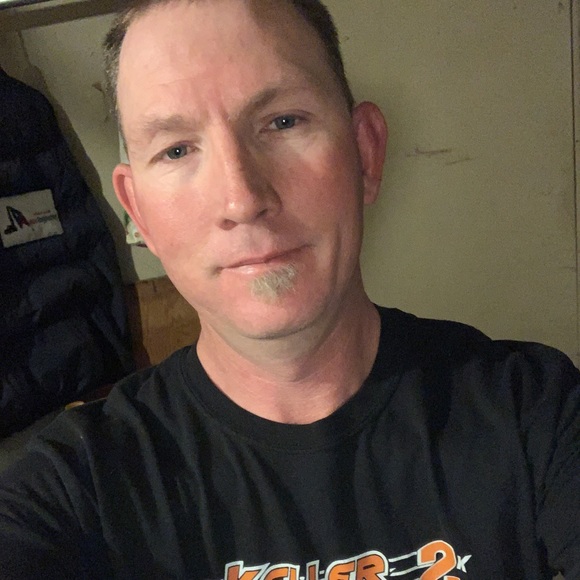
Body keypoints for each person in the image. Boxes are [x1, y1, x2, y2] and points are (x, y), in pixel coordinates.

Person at [0, 0, 578, 578]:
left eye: (283, 122)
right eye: (176, 150)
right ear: (139, 213)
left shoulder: (537, 412)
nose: (242, 198)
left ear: (365, 153)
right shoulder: (70, 488)